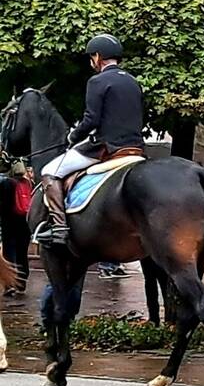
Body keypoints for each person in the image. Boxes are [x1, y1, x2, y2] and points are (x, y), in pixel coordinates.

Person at [36, 34, 145, 246]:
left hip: (106, 147)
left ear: (98, 57)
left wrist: (73, 135)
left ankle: (59, 228)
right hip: (135, 147)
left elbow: (91, 119)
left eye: (91, 57)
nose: (91, 62)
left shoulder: (97, 81)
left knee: (50, 171)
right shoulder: (133, 82)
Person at [0, 161, 32, 295]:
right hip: (25, 222)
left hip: (9, 223)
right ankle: (22, 283)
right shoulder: (28, 183)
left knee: (9, 253)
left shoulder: (6, 183)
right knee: (22, 253)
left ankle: (10, 284)